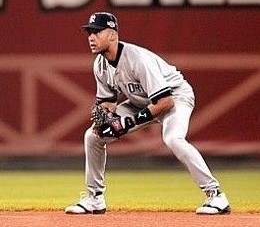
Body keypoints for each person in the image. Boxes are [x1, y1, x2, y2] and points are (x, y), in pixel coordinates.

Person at [65, 11, 231, 215]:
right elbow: (108, 102)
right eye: (89, 32)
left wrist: (125, 123)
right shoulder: (100, 65)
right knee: (92, 136)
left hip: (175, 97)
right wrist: (104, 118)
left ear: (112, 35)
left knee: (173, 138)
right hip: (141, 101)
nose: (91, 37)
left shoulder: (137, 59)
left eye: (97, 32)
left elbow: (165, 102)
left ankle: (216, 195)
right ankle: (94, 199)